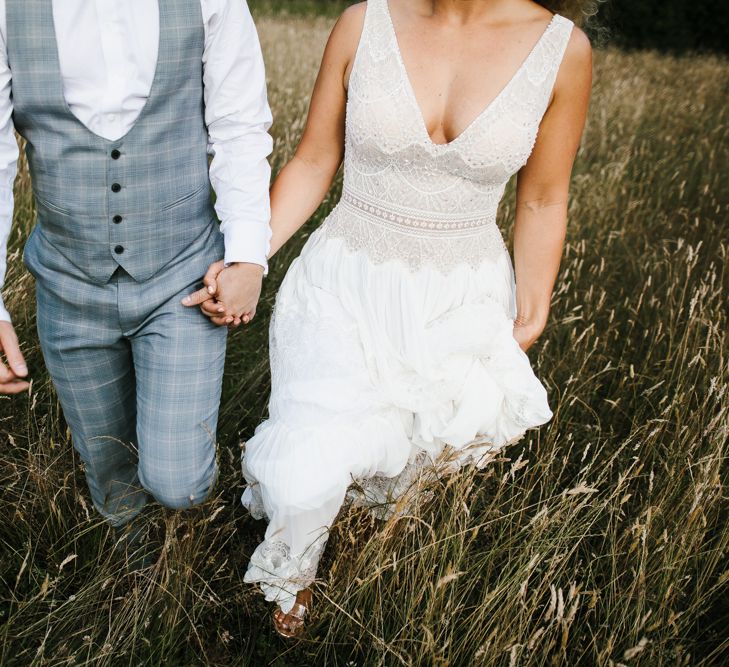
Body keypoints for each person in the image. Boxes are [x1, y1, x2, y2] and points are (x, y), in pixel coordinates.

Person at [191, 0, 592, 638]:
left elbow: (544, 195)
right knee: (306, 467)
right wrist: (248, 257)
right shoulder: (363, 22)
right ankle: (290, 583)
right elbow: (315, 160)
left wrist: (534, 302)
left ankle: (360, 559)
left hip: (462, 299)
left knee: (408, 469)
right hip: (342, 284)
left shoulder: (561, 50)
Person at [0, 0, 272, 546]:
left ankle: (190, 534)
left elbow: (239, 125)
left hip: (184, 279)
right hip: (67, 282)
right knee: (108, 469)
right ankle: (137, 576)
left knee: (178, 481)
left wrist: (248, 256)